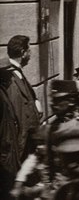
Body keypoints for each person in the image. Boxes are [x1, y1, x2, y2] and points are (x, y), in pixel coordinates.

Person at [3, 35, 41, 163]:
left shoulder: (17, 73)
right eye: (29, 51)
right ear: (23, 53)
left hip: (27, 142)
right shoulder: (10, 77)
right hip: (21, 145)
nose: (30, 55)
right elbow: (17, 112)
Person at [0, 58, 20, 198]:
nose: (11, 78)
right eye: (9, 74)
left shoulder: (4, 92)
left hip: (8, 151)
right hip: (4, 154)